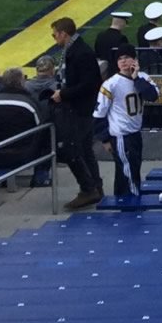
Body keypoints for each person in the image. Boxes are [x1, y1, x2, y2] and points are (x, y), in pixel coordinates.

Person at [50, 18, 104, 209]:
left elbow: (89, 83)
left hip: (79, 109)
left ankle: (88, 189)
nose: (54, 38)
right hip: (78, 108)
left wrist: (63, 94)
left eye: (54, 34)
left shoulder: (81, 53)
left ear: (64, 33)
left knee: (73, 150)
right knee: (85, 149)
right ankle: (95, 187)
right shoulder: (76, 50)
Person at [93, 52, 158, 202]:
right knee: (129, 172)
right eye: (119, 59)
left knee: (131, 168)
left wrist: (136, 79)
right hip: (121, 135)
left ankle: (122, 202)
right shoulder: (111, 84)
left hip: (135, 133)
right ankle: (132, 202)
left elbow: (152, 96)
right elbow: (99, 113)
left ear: (135, 60)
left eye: (126, 58)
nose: (122, 61)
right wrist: (105, 139)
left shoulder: (143, 77)